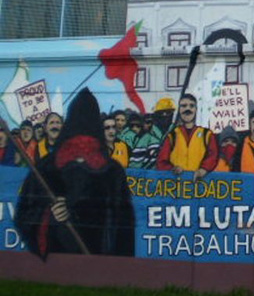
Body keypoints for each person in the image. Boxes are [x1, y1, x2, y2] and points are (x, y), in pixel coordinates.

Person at [14, 88, 135, 258]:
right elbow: (125, 229)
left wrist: (48, 217)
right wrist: (51, 216)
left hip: (60, 266)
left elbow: (24, 216)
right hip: (98, 267)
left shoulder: (45, 166)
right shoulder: (113, 170)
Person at [156, 94, 218, 181]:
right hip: (177, 186)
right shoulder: (172, 135)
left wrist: (203, 170)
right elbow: (161, 161)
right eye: (184, 106)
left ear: (196, 109)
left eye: (191, 106)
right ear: (179, 110)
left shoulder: (206, 134)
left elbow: (213, 156)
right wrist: (172, 169)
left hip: (200, 186)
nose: (187, 109)